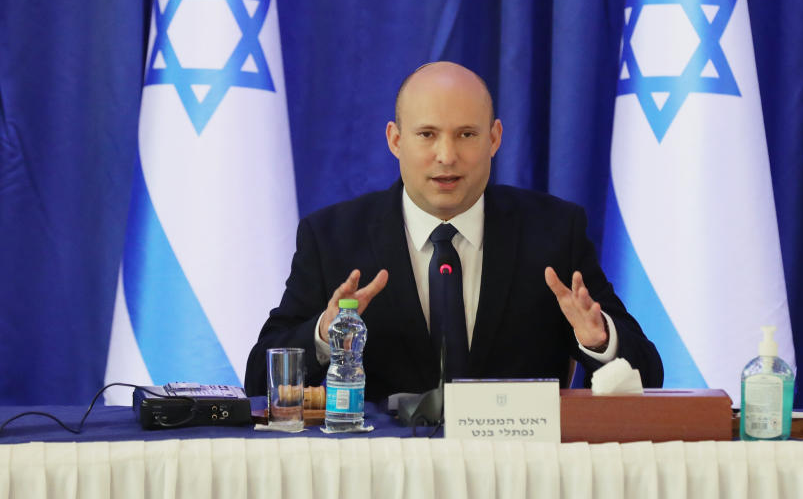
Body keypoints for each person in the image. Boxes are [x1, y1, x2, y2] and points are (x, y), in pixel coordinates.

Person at [245, 62, 663, 400]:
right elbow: (258, 380)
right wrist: (324, 333)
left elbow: (651, 373)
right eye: (427, 135)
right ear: (395, 140)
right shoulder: (332, 237)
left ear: (494, 138)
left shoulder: (553, 231)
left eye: (466, 134)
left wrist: (599, 338)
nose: (446, 156)